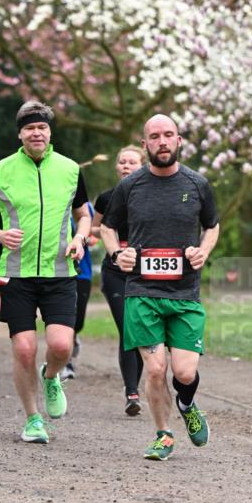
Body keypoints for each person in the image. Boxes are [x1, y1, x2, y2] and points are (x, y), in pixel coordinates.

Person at [0, 100, 92, 444]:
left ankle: (50, 376)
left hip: (60, 271)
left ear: (49, 133)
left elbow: (84, 214)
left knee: (62, 346)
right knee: (24, 349)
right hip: (16, 273)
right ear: (20, 134)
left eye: (42, 127)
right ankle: (33, 419)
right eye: (29, 128)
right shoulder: (1, 171)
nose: (36, 133)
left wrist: (80, 238)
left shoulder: (69, 169)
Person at [101, 114, 219, 460]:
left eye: (169, 135)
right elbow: (107, 227)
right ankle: (163, 435)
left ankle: (187, 403)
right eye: (155, 136)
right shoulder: (130, 186)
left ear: (179, 140)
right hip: (142, 293)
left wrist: (203, 251)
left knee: (184, 372)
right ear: (145, 144)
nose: (162, 141)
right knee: (155, 370)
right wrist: (117, 254)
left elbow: (212, 226)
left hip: (185, 295)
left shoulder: (198, 184)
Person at [91, 146, 146, 414]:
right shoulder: (106, 198)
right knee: (128, 328)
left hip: (145, 271)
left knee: (141, 331)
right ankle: (132, 392)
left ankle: (134, 387)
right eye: (122, 162)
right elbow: (93, 227)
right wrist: (105, 234)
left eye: (132, 162)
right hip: (114, 270)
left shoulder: (152, 197)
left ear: (143, 166)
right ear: (116, 167)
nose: (126, 166)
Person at [60, 204, 96, 381]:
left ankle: (74, 337)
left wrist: (82, 239)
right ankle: (67, 364)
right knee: (65, 318)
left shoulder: (86, 207)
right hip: (59, 272)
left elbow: (95, 236)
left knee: (78, 320)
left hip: (82, 271)